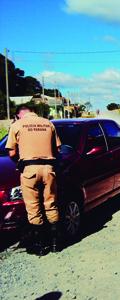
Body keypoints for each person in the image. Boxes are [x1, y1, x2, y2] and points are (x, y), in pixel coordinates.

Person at [6, 105, 62, 255]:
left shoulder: (17, 125)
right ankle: (56, 244)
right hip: (49, 169)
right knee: (51, 203)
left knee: (33, 206)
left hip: (29, 170)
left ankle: (40, 245)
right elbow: (57, 149)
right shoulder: (48, 123)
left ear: (18, 115)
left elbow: (11, 153)